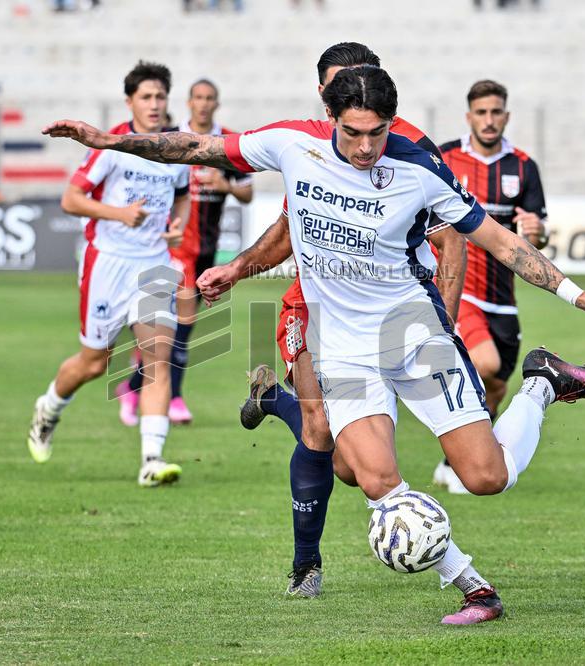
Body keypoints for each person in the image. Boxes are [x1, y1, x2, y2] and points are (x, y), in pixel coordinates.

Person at [43, 65, 585, 625]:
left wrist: (576, 295)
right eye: (353, 133)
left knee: (486, 477)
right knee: (374, 479)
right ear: (329, 116)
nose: (366, 147)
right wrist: (108, 142)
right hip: (345, 349)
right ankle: (475, 587)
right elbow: (196, 147)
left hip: (413, 335)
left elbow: (499, 241)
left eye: (377, 133)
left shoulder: (420, 166)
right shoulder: (292, 144)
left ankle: (542, 382)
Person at [194, 42, 469, 602]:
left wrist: (444, 324)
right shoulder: (310, 150)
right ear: (324, 95)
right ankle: (306, 566)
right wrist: (239, 268)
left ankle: (274, 400)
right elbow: (285, 229)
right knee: (319, 429)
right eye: (335, 86)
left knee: (348, 468)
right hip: (310, 305)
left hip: (385, 318)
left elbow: (451, 240)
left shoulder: (406, 150)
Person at [27, 61, 189, 488]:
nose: (154, 104)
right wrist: (118, 213)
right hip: (108, 262)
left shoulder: (175, 148)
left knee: (157, 358)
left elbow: (183, 196)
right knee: (94, 363)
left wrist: (178, 225)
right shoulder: (111, 146)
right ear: (130, 102)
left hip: (154, 263)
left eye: (160, 97)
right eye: (146, 97)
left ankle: (151, 460)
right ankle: (48, 408)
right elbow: (71, 199)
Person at [433, 80, 549, 494]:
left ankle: (452, 463)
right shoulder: (444, 157)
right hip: (459, 289)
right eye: (481, 112)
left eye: (496, 112)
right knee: (484, 364)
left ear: (506, 116)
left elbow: (536, 237)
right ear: (469, 116)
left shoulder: (523, 167)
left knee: (497, 385)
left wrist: (536, 234)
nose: (488, 120)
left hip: (502, 298)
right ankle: (466, 461)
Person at [117, 79, 253, 426]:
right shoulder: (171, 139)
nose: (203, 103)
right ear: (189, 102)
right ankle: (173, 396)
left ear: (216, 103)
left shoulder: (228, 143)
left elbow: (248, 193)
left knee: (178, 326)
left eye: (210, 98)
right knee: (180, 322)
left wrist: (224, 186)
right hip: (175, 244)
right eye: (198, 98)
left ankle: (133, 385)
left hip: (207, 245)